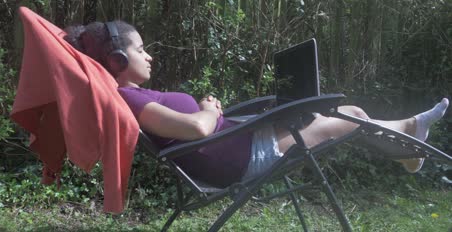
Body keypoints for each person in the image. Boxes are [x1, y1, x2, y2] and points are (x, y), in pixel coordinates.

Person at [64, 21, 450, 187]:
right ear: (115, 61)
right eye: (141, 49)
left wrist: (211, 110)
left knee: (321, 111)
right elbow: (197, 129)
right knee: (350, 114)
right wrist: (210, 110)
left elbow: (194, 127)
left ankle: (408, 145)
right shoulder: (128, 99)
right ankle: (410, 137)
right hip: (246, 157)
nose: (149, 56)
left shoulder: (134, 96)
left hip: (245, 139)